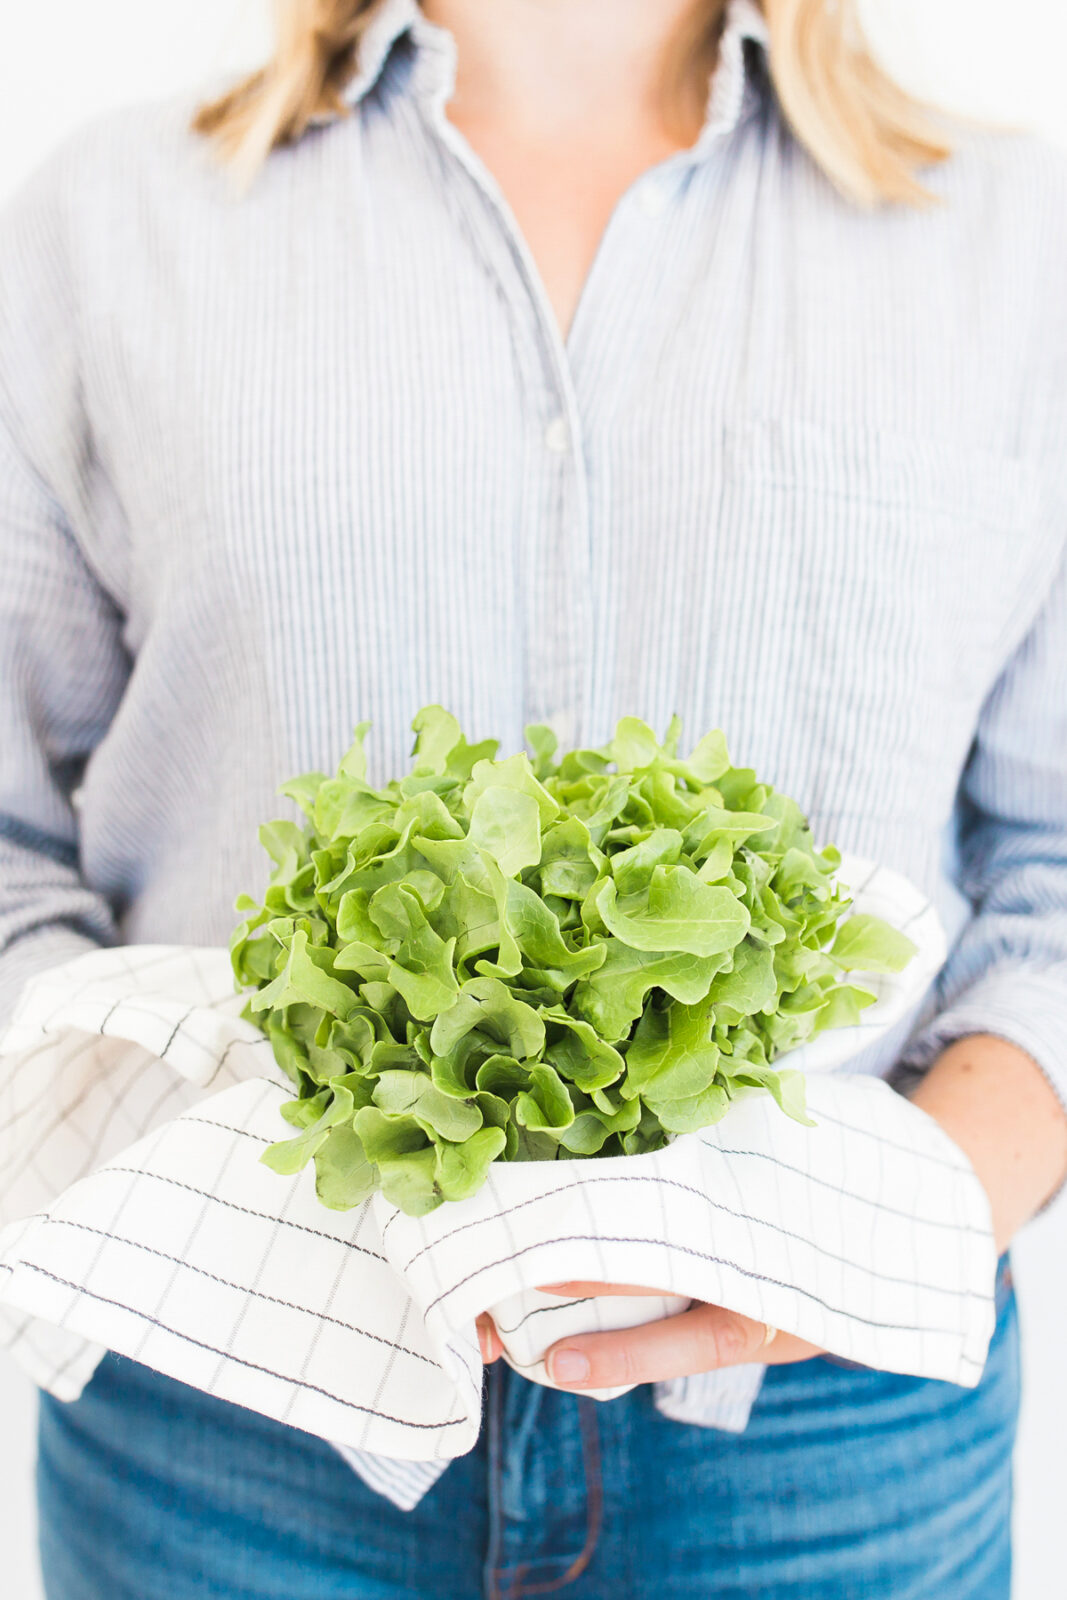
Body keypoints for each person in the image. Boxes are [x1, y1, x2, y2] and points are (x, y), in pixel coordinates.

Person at [1, 0, 1065, 1595]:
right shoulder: (112, 223)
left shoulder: (1011, 246)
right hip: (228, 1442)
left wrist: (864, 1246)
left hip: (830, 1444)